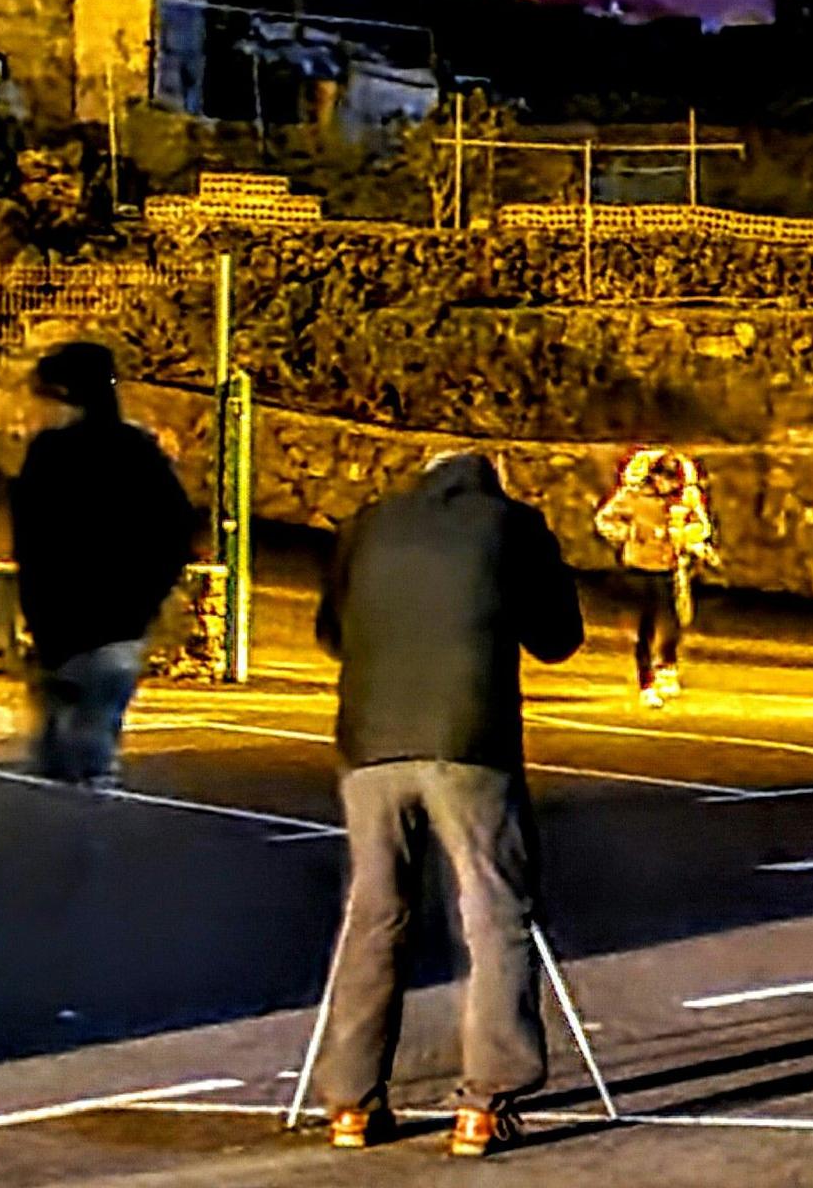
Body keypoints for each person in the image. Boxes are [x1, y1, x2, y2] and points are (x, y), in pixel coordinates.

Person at [314, 451, 583, 1159]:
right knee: (493, 911)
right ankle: (484, 1103)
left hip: (368, 740)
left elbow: (330, 633)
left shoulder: (368, 523)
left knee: (375, 913)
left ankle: (350, 1101)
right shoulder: (511, 525)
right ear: (490, 478)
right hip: (470, 740)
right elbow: (558, 638)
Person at [9, 341, 195, 787]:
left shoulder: (51, 455)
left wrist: (34, 610)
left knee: (66, 755)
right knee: (90, 750)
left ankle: (72, 839)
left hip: (68, 629)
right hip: (117, 628)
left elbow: (33, 542)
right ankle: (86, 826)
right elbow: (176, 530)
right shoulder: (139, 452)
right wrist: (148, 599)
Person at [593, 447, 718, 710]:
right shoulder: (633, 497)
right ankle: (646, 683)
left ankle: (667, 667)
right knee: (645, 627)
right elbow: (605, 519)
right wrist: (627, 534)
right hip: (639, 566)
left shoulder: (684, 499)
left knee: (673, 619)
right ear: (656, 476)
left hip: (669, 566)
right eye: (667, 479)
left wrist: (690, 540)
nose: (671, 486)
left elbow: (700, 525)